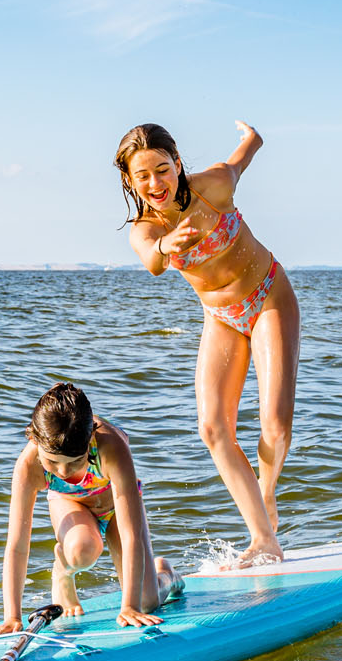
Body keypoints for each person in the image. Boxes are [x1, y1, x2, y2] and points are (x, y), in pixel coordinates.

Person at [119, 120, 298, 565]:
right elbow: (151, 260)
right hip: (221, 317)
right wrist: (166, 246)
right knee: (213, 427)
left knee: (274, 426)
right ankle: (263, 538)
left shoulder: (212, 187)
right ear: (129, 180)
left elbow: (242, 161)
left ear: (177, 165)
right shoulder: (144, 229)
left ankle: (267, 495)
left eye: (162, 169)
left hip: (269, 297)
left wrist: (250, 138)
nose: (155, 183)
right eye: (142, 175)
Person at [0, 382, 183, 638]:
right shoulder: (28, 465)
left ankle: (166, 573)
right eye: (53, 462)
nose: (64, 472)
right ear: (32, 438)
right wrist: (12, 616)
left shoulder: (112, 447)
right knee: (82, 549)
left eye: (76, 461)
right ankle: (63, 571)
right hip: (71, 504)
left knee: (147, 602)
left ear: (90, 439)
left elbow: (132, 536)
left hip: (117, 508)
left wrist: (129, 607)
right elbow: (17, 545)